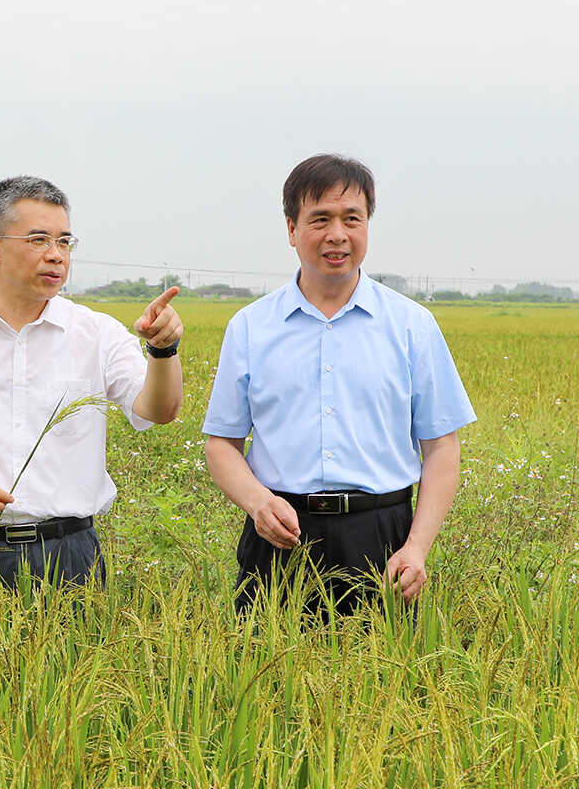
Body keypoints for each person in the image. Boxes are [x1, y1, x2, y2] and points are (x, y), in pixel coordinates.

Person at [202, 154, 476, 614]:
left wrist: (417, 548)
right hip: (280, 535)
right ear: (292, 229)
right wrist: (257, 503)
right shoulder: (250, 327)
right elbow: (221, 444)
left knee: (382, 661)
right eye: (320, 219)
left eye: (352, 218)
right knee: (266, 660)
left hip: (382, 539)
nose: (337, 234)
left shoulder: (412, 325)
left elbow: (442, 447)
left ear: (367, 225)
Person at [0, 175, 183, 591]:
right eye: (39, 240)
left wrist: (163, 351)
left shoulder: (98, 334)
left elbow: (158, 410)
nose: (56, 255)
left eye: (64, 242)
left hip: (70, 553)